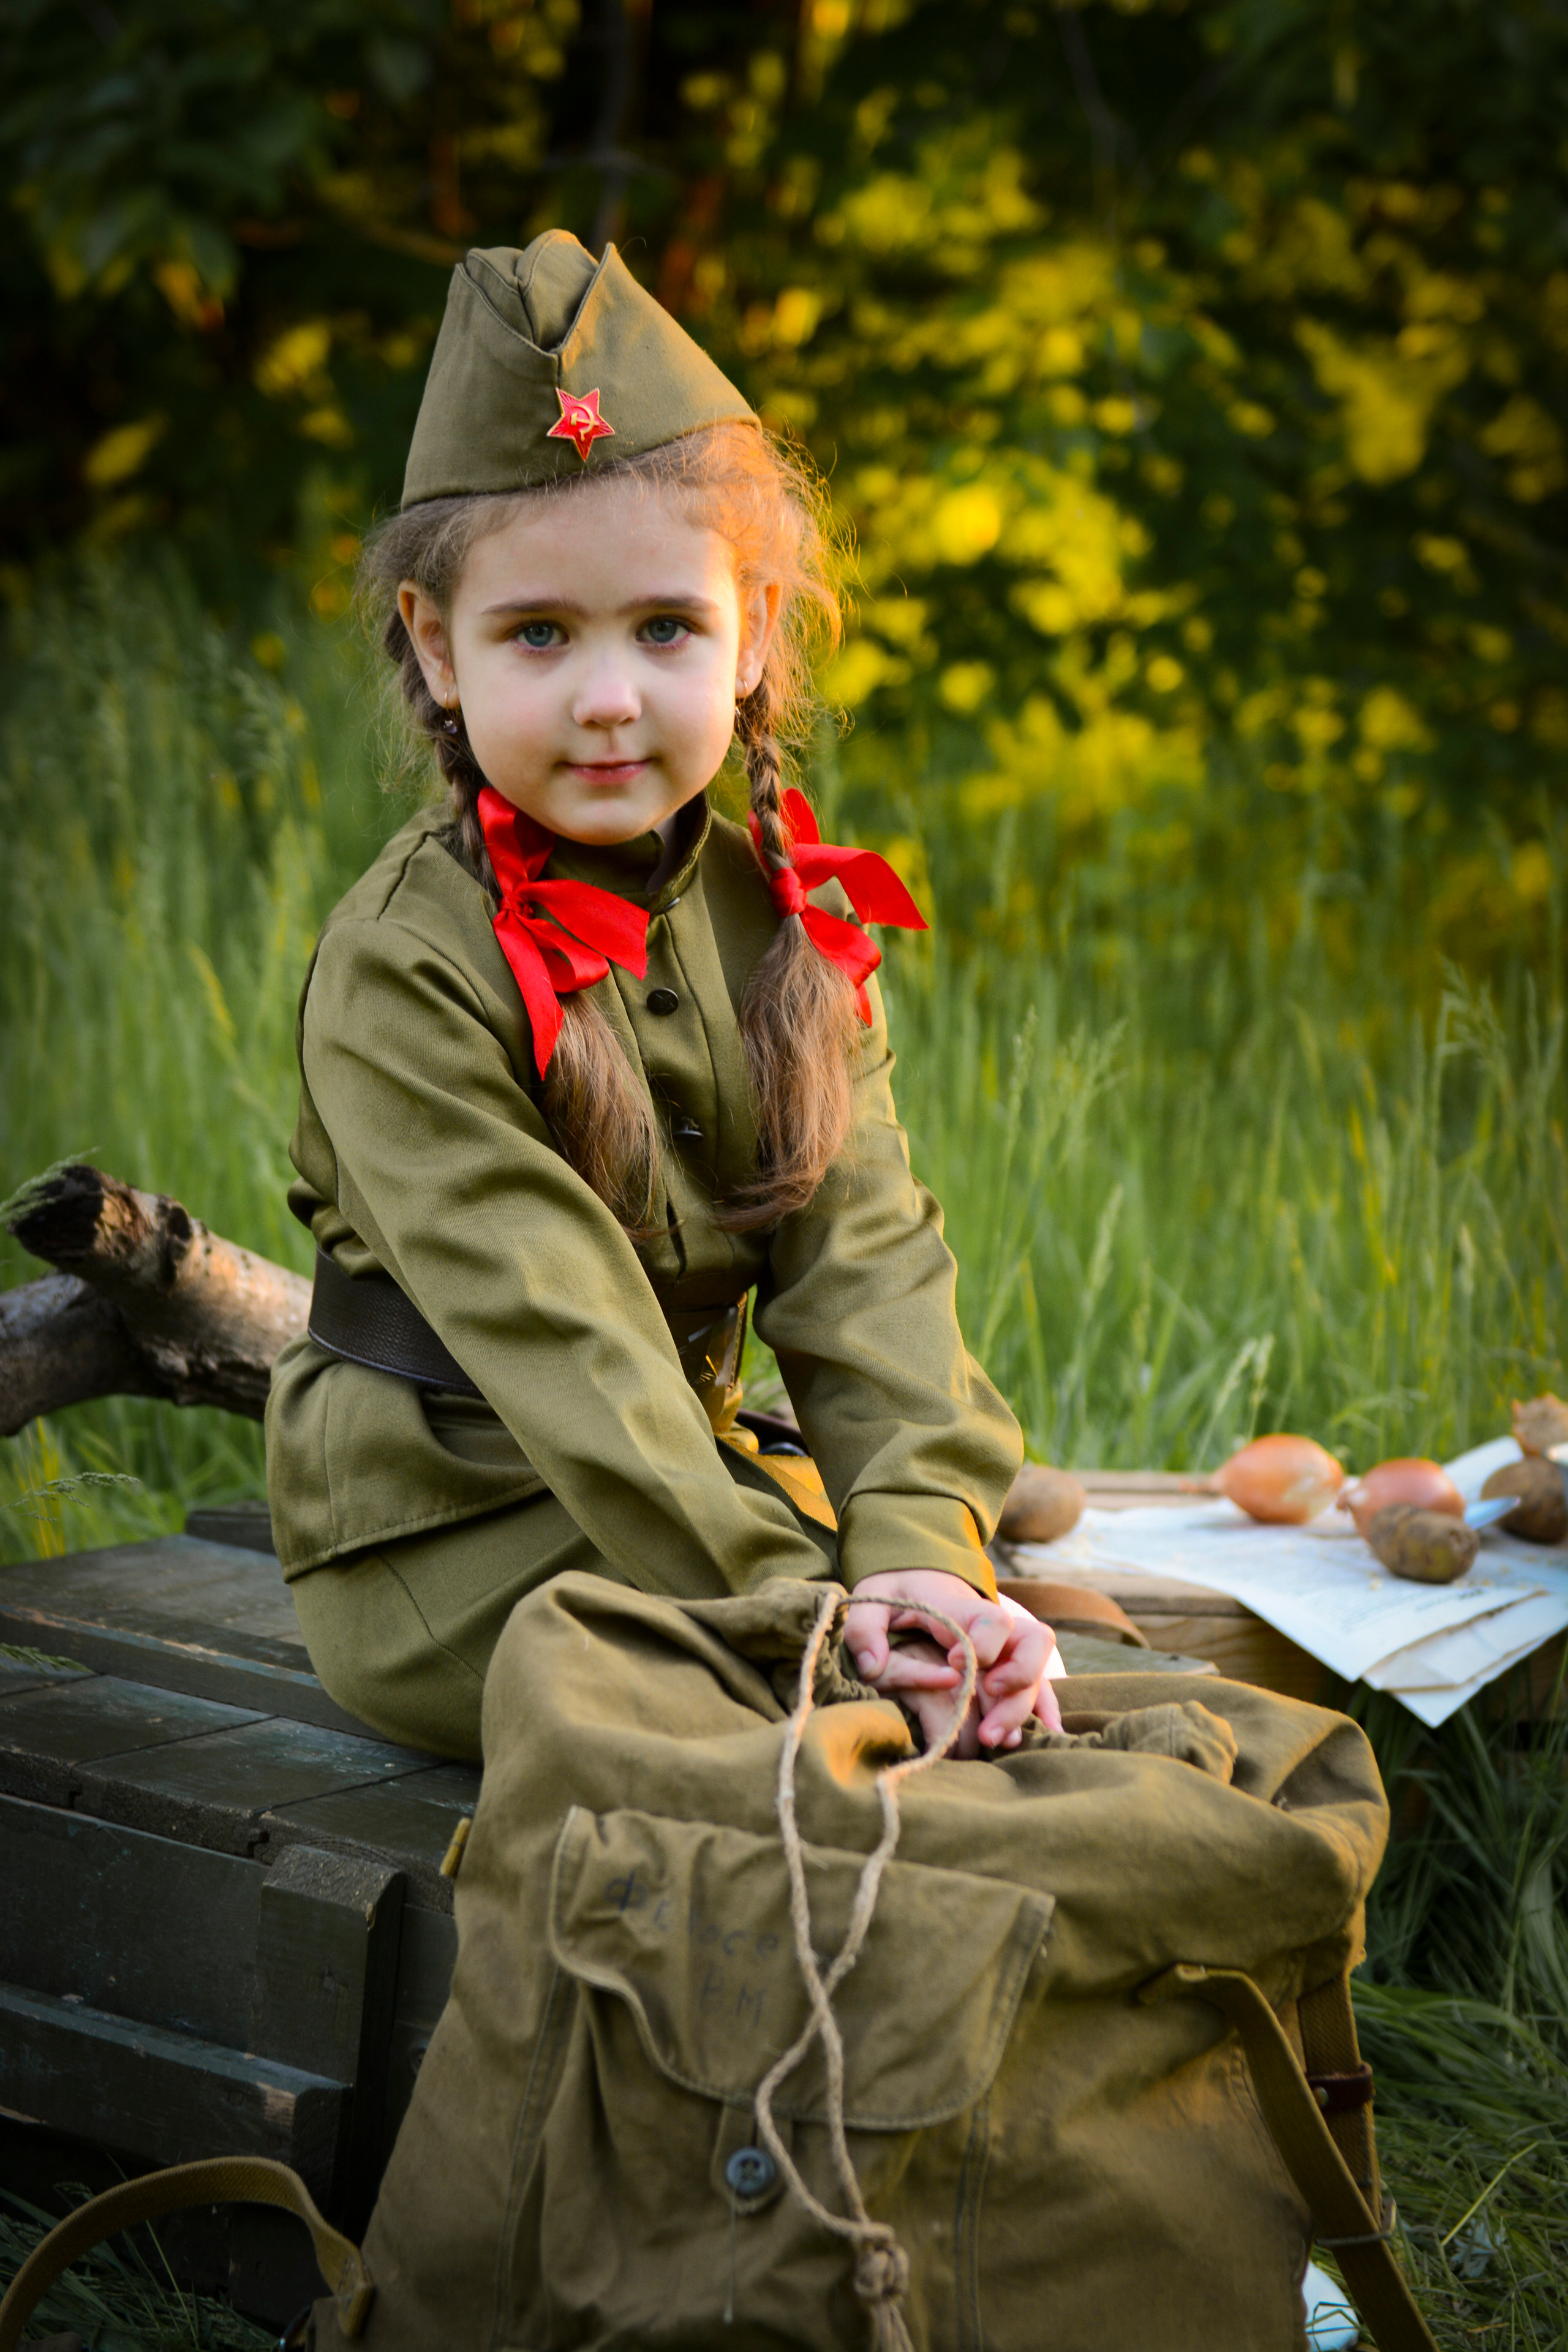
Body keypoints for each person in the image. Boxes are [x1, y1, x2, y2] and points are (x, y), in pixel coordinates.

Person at [264, 228, 1059, 1765]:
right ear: (438, 651)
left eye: (666, 628)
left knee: (1030, 1692)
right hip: (459, 1542)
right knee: (887, 1768)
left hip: (685, 1500)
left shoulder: (783, 915)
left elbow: (860, 1251)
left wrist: (906, 1550)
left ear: (755, 632)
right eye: (539, 634)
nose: (609, 695)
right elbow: (561, 1338)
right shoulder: (408, 967)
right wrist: (806, 1616)